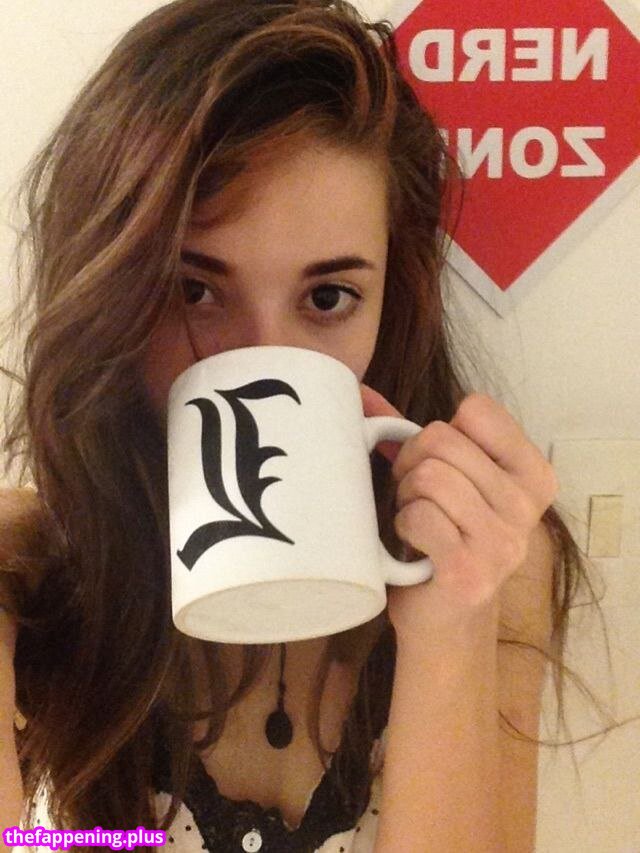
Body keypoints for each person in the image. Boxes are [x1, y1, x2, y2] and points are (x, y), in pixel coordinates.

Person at [0, 0, 600, 851]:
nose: (263, 360)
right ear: (111, 290)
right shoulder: (31, 579)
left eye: (327, 297)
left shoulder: (489, 559)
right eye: (194, 289)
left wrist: (447, 633)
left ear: (393, 299)